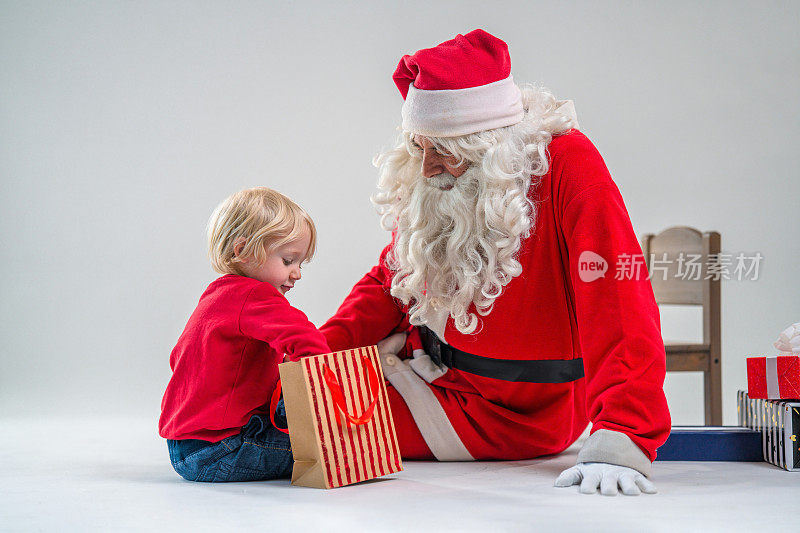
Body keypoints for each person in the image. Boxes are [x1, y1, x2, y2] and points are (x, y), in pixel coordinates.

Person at [320, 29, 671, 496]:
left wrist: (623, 434)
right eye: (420, 147)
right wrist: (314, 351)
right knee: (289, 392)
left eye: (443, 151)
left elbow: (618, 300)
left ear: (490, 145)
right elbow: (397, 274)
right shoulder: (441, 180)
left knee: (313, 428)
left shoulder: (567, 163)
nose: (426, 168)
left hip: (514, 415)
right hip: (426, 365)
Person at [159, 187, 330, 482]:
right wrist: (320, 391)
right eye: (288, 260)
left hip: (186, 447)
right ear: (242, 251)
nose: (297, 273)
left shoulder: (217, 296)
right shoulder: (254, 295)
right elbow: (309, 342)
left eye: (301, 264)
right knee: (325, 450)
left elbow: (179, 359)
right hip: (221, 450)